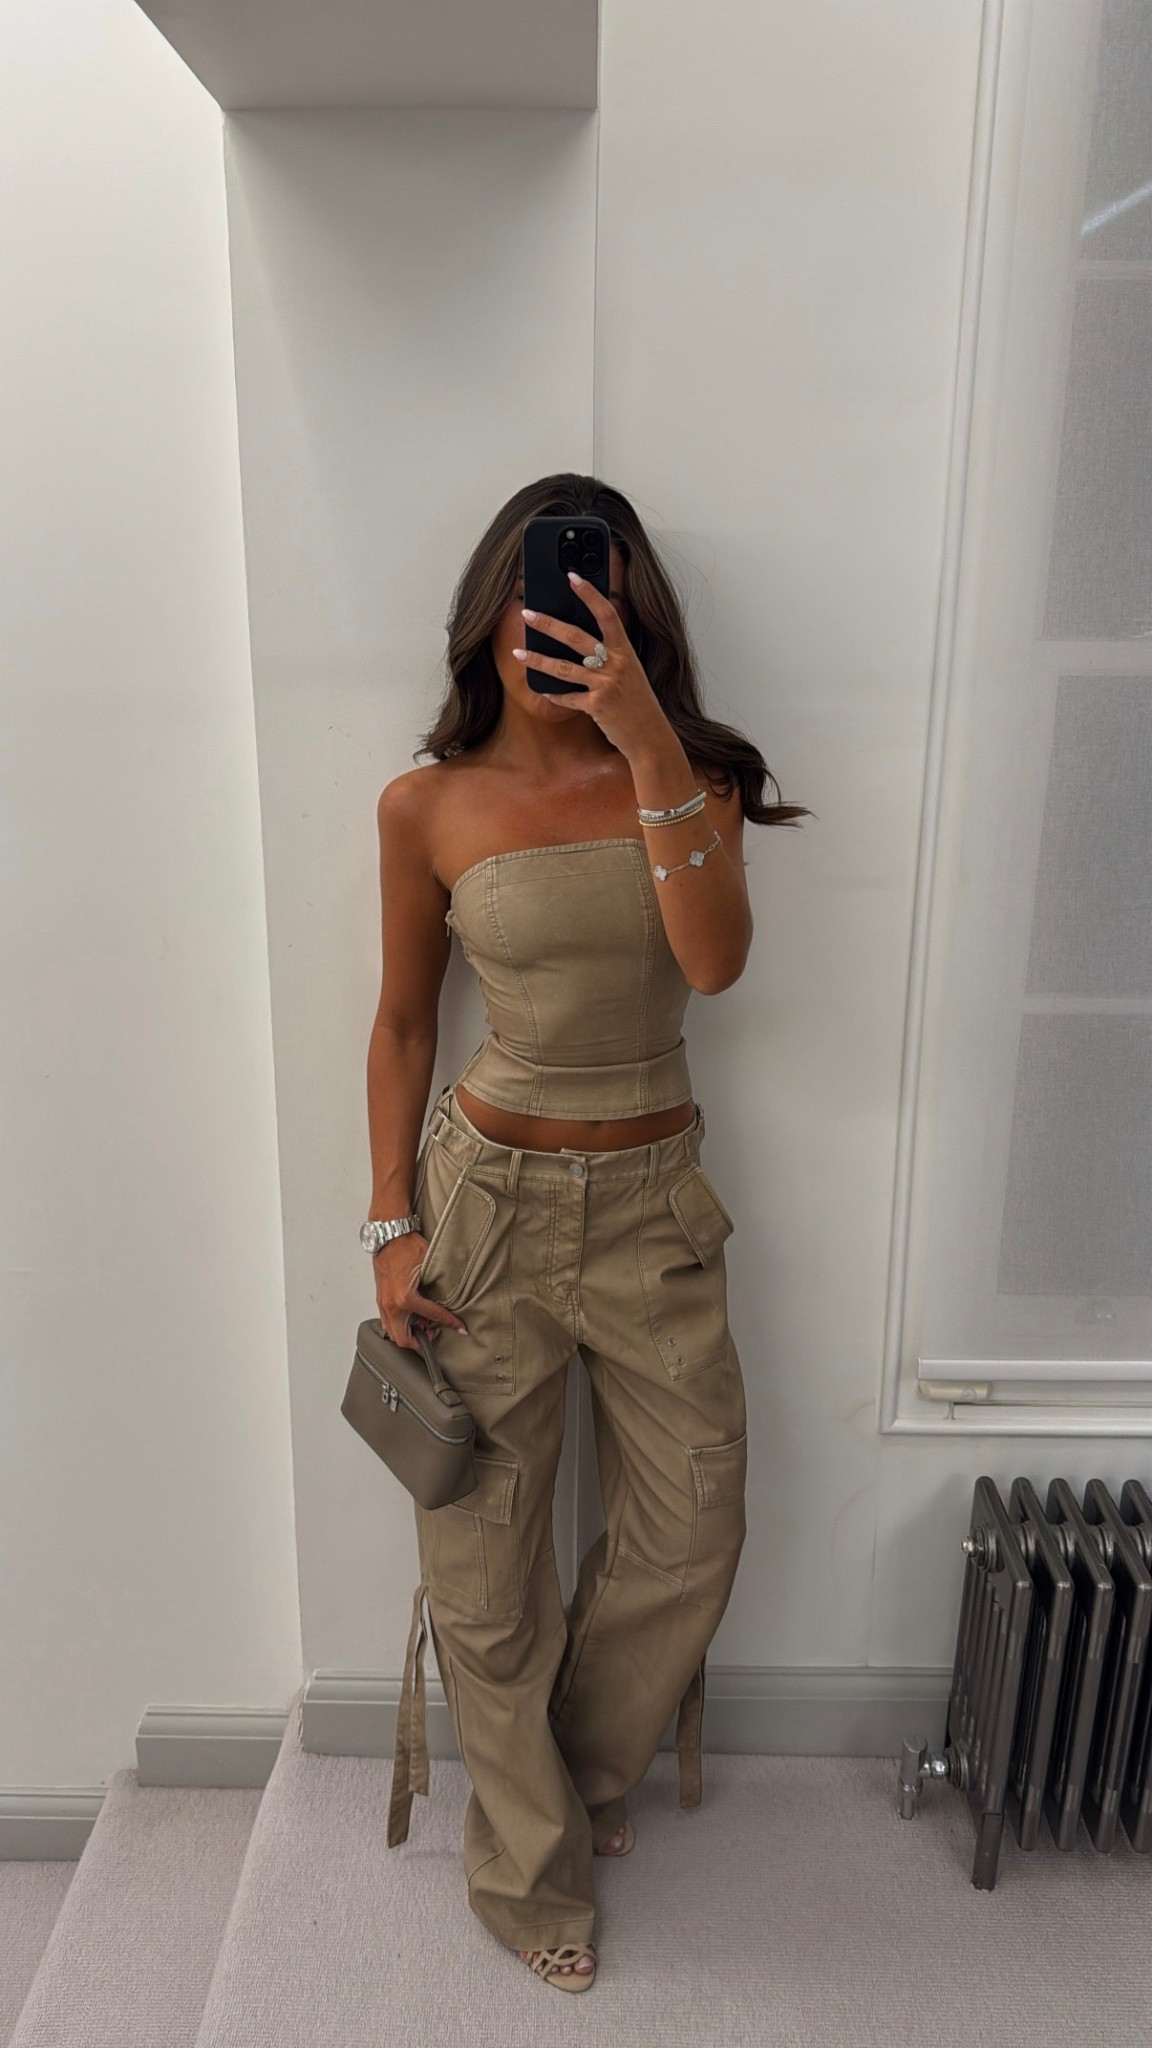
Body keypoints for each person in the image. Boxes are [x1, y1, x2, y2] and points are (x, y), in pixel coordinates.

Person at [364, 473, 810, 1992]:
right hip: (484, 1208)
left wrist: (644, 740)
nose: (559, 622)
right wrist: (388, 1227)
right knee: (483, 1550)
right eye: (540, 592)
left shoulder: (690, 775)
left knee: (696, 1522)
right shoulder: (425, 806)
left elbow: (716, 963)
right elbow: (404, 1025)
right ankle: (528, 1867)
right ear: (489, 611)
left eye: (595, 597)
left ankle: (569, 1769)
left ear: (636, 621)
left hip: (654, 1209)